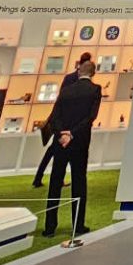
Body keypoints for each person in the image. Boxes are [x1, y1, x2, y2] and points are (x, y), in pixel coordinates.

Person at [41, 56, 102, 237]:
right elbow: (90, 117)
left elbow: (55, 116)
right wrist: (72, 133)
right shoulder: (95, 90)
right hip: (79, 142)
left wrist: (62, 134)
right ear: (93, 73)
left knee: (55, 182)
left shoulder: (66, 90)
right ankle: (78, 225)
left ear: (79, 71)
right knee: (79, 182)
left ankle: (49, 227)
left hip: (61, 142)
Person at [35, 52, 93, 189]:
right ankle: (50, 179)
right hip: (69, 124)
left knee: (53, 151)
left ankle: (40, 177)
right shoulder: (78, 81)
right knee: (64, 153)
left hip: (60, 121)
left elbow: (60, 100)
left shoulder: (69, 78)